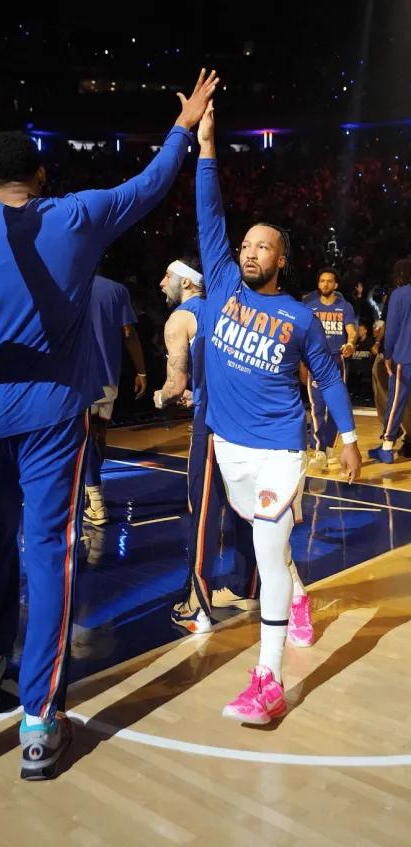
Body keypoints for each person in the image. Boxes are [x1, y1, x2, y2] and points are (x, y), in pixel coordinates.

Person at [0, 69, 218, 779]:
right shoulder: (78, 216)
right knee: (49, 552)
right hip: (54, 415)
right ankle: (39, 721)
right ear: (41, 176)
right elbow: (151, 184)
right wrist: (183, 128)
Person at [195, 100, 361, 726]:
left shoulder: (299, 317)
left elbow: (328, 378)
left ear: (281, 260)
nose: (250, 252)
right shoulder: (220, 283)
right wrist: (206, 146)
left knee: (268, 554)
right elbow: (209, 213)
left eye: (263, 247)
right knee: (274, 545)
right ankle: (298, 599)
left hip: (278, 451)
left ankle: (268, 681)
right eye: (245, 245)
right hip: (228, 448)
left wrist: (348, 437)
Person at [154, 257, 260, 635]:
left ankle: (197, 603)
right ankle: (247, 586)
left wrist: (161, 397)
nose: (161, 281)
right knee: (243, 506)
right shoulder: (228, 308)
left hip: (213, 422)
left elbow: (175, 385)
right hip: (246, 419)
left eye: (167, 275)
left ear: (186, 282)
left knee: (203, 510)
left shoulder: (180, 318)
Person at [83, 272, 147, 526]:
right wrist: (141, 371)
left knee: (83, 438)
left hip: (79, 377)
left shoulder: (67, 284)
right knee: (98, 434)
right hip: (109, 376)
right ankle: (91, 491)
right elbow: (128, 332)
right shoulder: (115, 289)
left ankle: (96, 500)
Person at [302, 267, 357, 471]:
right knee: (317, 407)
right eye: (322, 280)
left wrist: (350, 343)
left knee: (335, 406)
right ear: (318, 283)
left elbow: (352, 331)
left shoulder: (345, 306)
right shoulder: (309, 305)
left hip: (336, 360)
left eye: (329, 281)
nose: (325, 284)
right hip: (315, 360)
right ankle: (319, 449)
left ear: (336, 284)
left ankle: (330, 446)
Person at [368, 263, 411, 464]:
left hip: (405, 356)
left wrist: (387, 353)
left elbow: (391, 328)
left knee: (396, 402)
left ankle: (386, 446)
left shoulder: (400, 294)